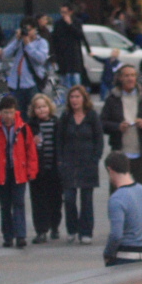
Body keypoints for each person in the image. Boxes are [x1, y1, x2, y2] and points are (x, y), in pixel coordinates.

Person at [0, 98, 39, 249]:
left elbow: (31, 151)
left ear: (15, 112)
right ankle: (8, 236)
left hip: (19, 171)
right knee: (5, 206)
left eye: (11, 112)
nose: (8, 116)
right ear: (0, 112)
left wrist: (32, 171)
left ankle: (20, 236)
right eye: (5, 112)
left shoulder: (23, 128)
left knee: (19, 203)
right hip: (1, 172)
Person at [56, 85, 104, 244]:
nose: (75, 100)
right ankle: (72, 228)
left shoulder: (92, 116)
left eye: (77, 97)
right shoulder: (65, 116)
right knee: (69, 198)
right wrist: (60, 160)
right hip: (69, 162)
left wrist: (95, 157)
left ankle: (86, 231)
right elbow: (59, 139)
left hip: (87, 162)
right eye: (72, 97)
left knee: (87, 199)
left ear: (84, 99)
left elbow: (99, 138)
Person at [103, 151, 142, 266]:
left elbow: (116, 234)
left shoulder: (117, 198)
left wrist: (107, 254)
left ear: (110, 170)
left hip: (124, 255)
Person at [101, 64, 142, 186]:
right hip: (120, 154)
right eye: (126, 75)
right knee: (118, 189)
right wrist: (117, 127)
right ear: (120, 78)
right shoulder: (113, 98)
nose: (130, 79)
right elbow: (102, 123)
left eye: (133, 75)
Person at [24, 92, 64, 244]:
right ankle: (41, 230)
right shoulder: (30, 126)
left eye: (44, 106)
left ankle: (55, 226)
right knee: (38, 200)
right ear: (33, 110)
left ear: (49, 107)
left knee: (56, 199)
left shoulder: (56, 122)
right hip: (38, 169)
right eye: (38, 108)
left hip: (54, 167)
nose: (41, 110)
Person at [3, 22, 50, 113]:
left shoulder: (42, 42)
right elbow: (5, 54)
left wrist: (28, 44)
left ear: (34, 30)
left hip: (32, 83)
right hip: (18, 83)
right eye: (25, 30)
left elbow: (41, 59)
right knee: (19, 113)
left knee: (34, 112)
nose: (27, 33)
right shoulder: (19, 41)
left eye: (29, 30)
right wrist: (16, 40)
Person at [48, 3, 92, 91]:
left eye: (65, 12)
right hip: (62, 56)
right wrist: (53, 56)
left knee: (75, 80)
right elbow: (53, 40)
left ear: (71, 12)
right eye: (61, 12)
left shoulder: (76, 22)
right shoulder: (58, 24)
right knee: (64, 83)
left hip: (74, 56)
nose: (63, 14)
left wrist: (70, 24)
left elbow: (80, 35)